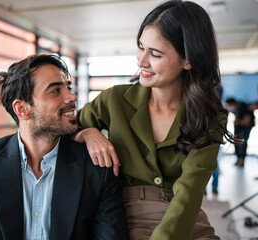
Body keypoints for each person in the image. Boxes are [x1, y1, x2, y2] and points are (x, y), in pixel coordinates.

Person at [74, 1, 238, 239]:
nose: (141, 61)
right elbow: (62, 132)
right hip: (126, 216)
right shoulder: (114, 99)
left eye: (155, 53)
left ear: (188, 60)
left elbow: (189, 194)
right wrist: (86, 133)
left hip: (184, 221)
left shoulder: (209, 118)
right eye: (141, 47)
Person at [0, 55, 129, 240]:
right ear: (22, 109)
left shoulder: (96, 166)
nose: (72, 96)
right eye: (55, 91)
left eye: (68, 87)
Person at [225, 98, 255, 167]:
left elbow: (247, 121)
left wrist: (238, 122)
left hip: (245, 128)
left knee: (242, 143)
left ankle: (241, 160)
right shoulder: (236, 108)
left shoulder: (242, 106)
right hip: (239, 127)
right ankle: (239, 159)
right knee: (236, 142)